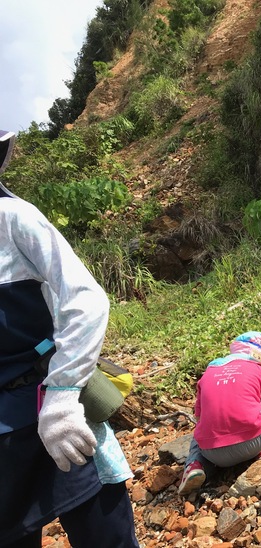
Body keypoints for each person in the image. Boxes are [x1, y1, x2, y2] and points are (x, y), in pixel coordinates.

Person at [0, 129, 139, 547]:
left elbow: (85, 300)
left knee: (103, 530)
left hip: (47, 411)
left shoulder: (13, 218)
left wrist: (62, 397)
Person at [178, 331, 261, 496]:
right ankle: (259, 453)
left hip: (213, 454)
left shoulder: (208, 373)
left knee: (200, 434)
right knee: (258, 406)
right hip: (253, 442)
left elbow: (199, 418)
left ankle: (194, 466)